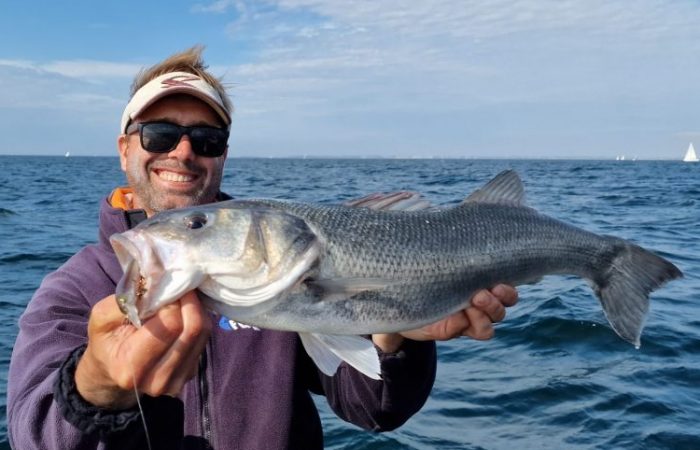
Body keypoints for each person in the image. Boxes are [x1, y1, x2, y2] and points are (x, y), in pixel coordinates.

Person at [7, 46, 518, 450]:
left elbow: (372, 409)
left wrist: (391, 331)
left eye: (207, 139)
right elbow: (34, 433)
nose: (183, 152)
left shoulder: (277, 263)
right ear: (125, 150)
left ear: (223, 155)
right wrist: (97, 385)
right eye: (160, 134)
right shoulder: (73, 288)